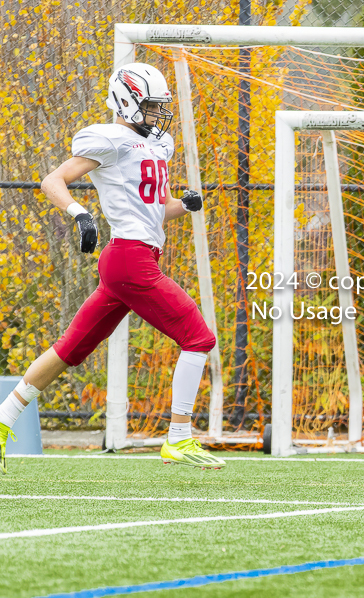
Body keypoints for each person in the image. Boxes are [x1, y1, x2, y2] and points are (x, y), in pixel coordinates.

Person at [0, 63, 225, 472]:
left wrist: (184, 205)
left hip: (134, 259)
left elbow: (156, 211)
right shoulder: (111, 139)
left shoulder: (159, 145)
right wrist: (79, 213)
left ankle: (3, 419)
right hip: (130, 259)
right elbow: (53, 180)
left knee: (70, 349)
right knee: (199, 338)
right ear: (128, 101)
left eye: (160, 107)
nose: (158, 115)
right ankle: (178, 438)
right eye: (152, 106)